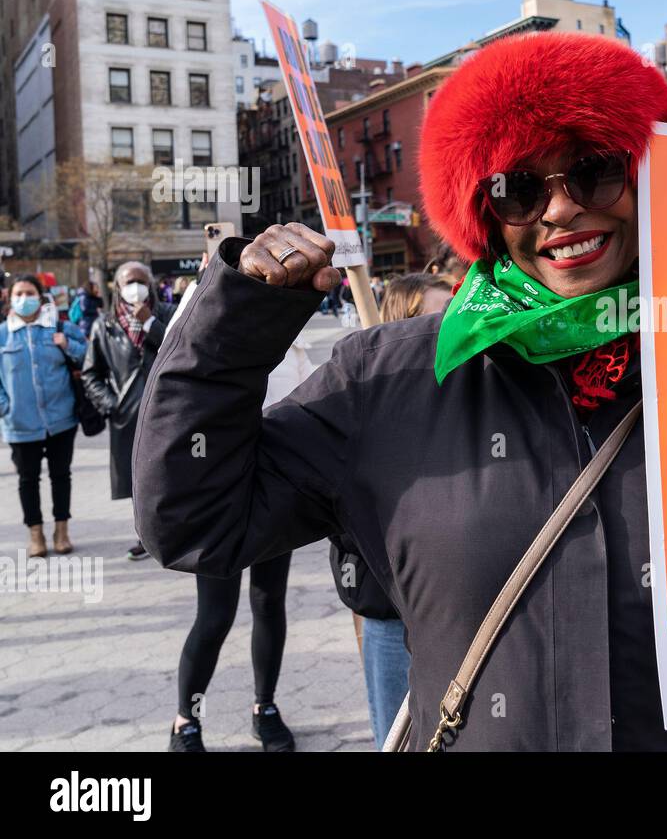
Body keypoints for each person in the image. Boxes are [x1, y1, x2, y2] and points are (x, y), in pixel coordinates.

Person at [133, 32, 667, 752]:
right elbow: (193, 518)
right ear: (483, 212)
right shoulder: (389, 378)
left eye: (594, 171)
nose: (560, 209)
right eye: (519, 189)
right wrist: (240, 314)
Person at [168, 299, 310, 753]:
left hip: (273, 489)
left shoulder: (289, 335)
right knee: (215, 616)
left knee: (269, 602)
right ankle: (186, 721)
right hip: (218, 493)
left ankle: (264, 708)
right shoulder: (202, 319)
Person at [329, 271, 454, 749]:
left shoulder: (487, 394)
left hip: (463, 618)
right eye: (439, 313)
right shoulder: (364, 402)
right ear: (404, 325)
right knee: (397, 738)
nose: (456, 320)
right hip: (391, 614)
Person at [82, 261, 176, 561]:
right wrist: (111, 404)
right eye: (128, 282)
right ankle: (147, 537)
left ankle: (174, 533)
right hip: (128, 415)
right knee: (138, 480)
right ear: (118, 288)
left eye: (140, 280)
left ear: (149, 284)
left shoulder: (167, 315)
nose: (134, 287)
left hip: (167, 411)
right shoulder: (104, 325)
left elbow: (179, 349)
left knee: (171, 473)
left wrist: (149, 323)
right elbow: (90, 373)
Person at [1, 274, 87, 557]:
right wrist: (4, 407)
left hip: (61, 419)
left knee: (61, 475)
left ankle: (62, 531)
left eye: (29, 293)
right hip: (20, 423)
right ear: (10, 298)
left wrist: (67, 345)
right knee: (28, 479)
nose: (24, 299)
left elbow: (89, 356)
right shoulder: (3, 334)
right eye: (19, 293)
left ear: (40, 297)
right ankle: (35, 534)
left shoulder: (59, 327)